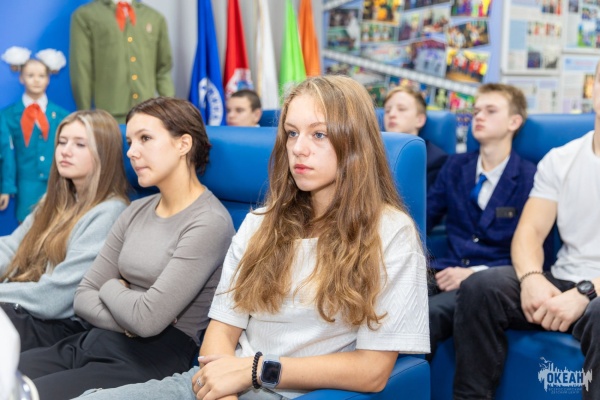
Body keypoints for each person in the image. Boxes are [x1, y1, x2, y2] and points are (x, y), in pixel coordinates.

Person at [72, 75, 429, 400]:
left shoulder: (390, 232)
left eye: (318, 134)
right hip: (216, 384)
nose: (298, 148)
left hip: (287, 391)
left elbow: (372, 371)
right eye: (292, 133)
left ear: (354, 142)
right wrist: (224, 390)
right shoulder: (261, 222)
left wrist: (257, 370)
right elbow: (220, 332)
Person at [18, 97, 235, 399]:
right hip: (93, 340)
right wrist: (133, 315)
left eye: (145, 138)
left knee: (25, 394)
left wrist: (110, 287)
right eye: (130, 141)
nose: (132, 152)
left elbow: (147, 320)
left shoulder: (209, 222)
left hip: (150, 359)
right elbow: (83, 296)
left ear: (183, 144)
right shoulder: (137, 209)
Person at [452, 69, 600, 400]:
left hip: (595, 295)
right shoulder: (560, 159)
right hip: (563, 279)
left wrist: (587, 293)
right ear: (593, 89)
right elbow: (530, 231)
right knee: (481, 287)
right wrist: (532, 278)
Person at [0, 109, 129, 351]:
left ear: (104, 154)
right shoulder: (55, 199)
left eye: (80, 144)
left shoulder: (109, 212)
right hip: (25, 309)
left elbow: (53, 298)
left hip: (59, 326)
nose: (65, 151)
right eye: (62, 142)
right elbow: (10, 248)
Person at [426, 83, 538, 357]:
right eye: (476, 111)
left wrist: (474, 273)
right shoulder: (455, 166)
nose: (479, 117)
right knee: (388, 302)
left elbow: (535, 253)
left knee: (427, 315)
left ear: (514, 122)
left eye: (490, 111)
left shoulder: (531, 177)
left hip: (494, 280)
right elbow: (423, 218)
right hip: (444, 272)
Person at [70, 0, 174, 122]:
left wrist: (170, 111)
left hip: (149, 115)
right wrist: (85, 116)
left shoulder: (154, 18)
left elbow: (163, 69)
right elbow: (81, 69)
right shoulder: (86, 16)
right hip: (110, 117)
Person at [1, 55, 70, 222]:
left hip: (56, 184)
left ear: (48, 79)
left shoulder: (62, 115)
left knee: (56, 226)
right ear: (21, 78)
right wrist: (6, 188)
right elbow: (6, 153)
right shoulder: (8, 115)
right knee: (27, 227)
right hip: (27, 186)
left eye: (42, 75)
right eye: (30, 75)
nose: (36, 80)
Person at [383, 86, 447, 187]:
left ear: (419, 120)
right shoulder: (370, 150)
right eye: (387, 110)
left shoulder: (434, 160)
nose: (391, 114)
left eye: (401, 109)